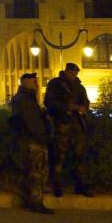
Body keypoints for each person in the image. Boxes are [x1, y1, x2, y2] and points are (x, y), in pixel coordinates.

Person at [44, 62, 93, 197]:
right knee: (59, 156)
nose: (73, 75)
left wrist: (83, 107)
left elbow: (85, 101)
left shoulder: (79, 87)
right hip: (61, 124)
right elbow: (50, 102)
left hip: (77, 124)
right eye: (71, 72)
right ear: (66, 71)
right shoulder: (56, 84)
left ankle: (80, 185)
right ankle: (57, 186)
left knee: (80, 156)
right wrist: (67, 106)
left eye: (75, 73)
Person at [10, 72, 53, 214]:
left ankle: (26, 200)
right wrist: (43, 136)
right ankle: (36, 202)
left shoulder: (23, 98)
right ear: (26, 83)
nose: (36, 84)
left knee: (29, 171)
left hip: (27, 139)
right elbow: (33, 123)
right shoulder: (26, 100)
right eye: (33, 82)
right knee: (37, 172)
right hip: (34, 140)